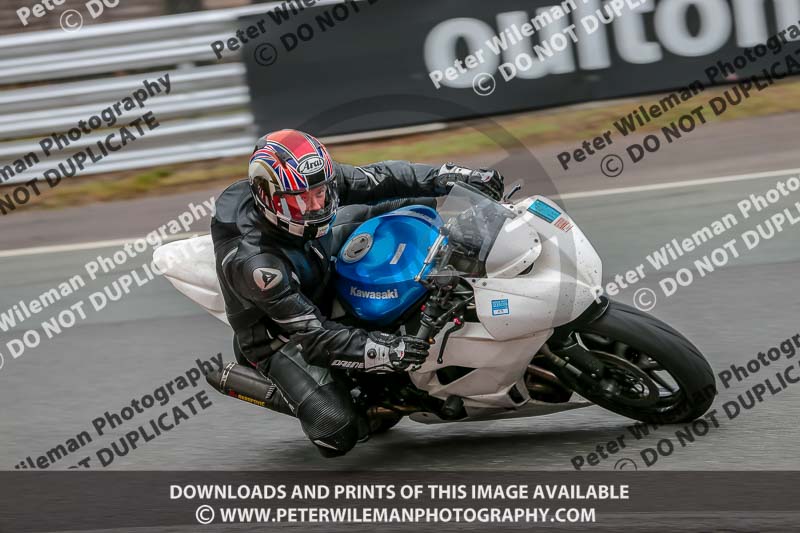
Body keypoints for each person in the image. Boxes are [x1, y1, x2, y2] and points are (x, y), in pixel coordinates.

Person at [210, 129, 504, 457]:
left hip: (312, 253)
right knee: (339, 431)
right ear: (269, 197)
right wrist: (386, 350)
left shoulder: (308, 187)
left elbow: (381, 177)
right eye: (302, 200)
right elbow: (315, 337)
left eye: (320, 192)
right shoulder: (257, 265)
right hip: (279, 334)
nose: (316, 205)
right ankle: (261, 383)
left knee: (416, 200)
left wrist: (450, 176)